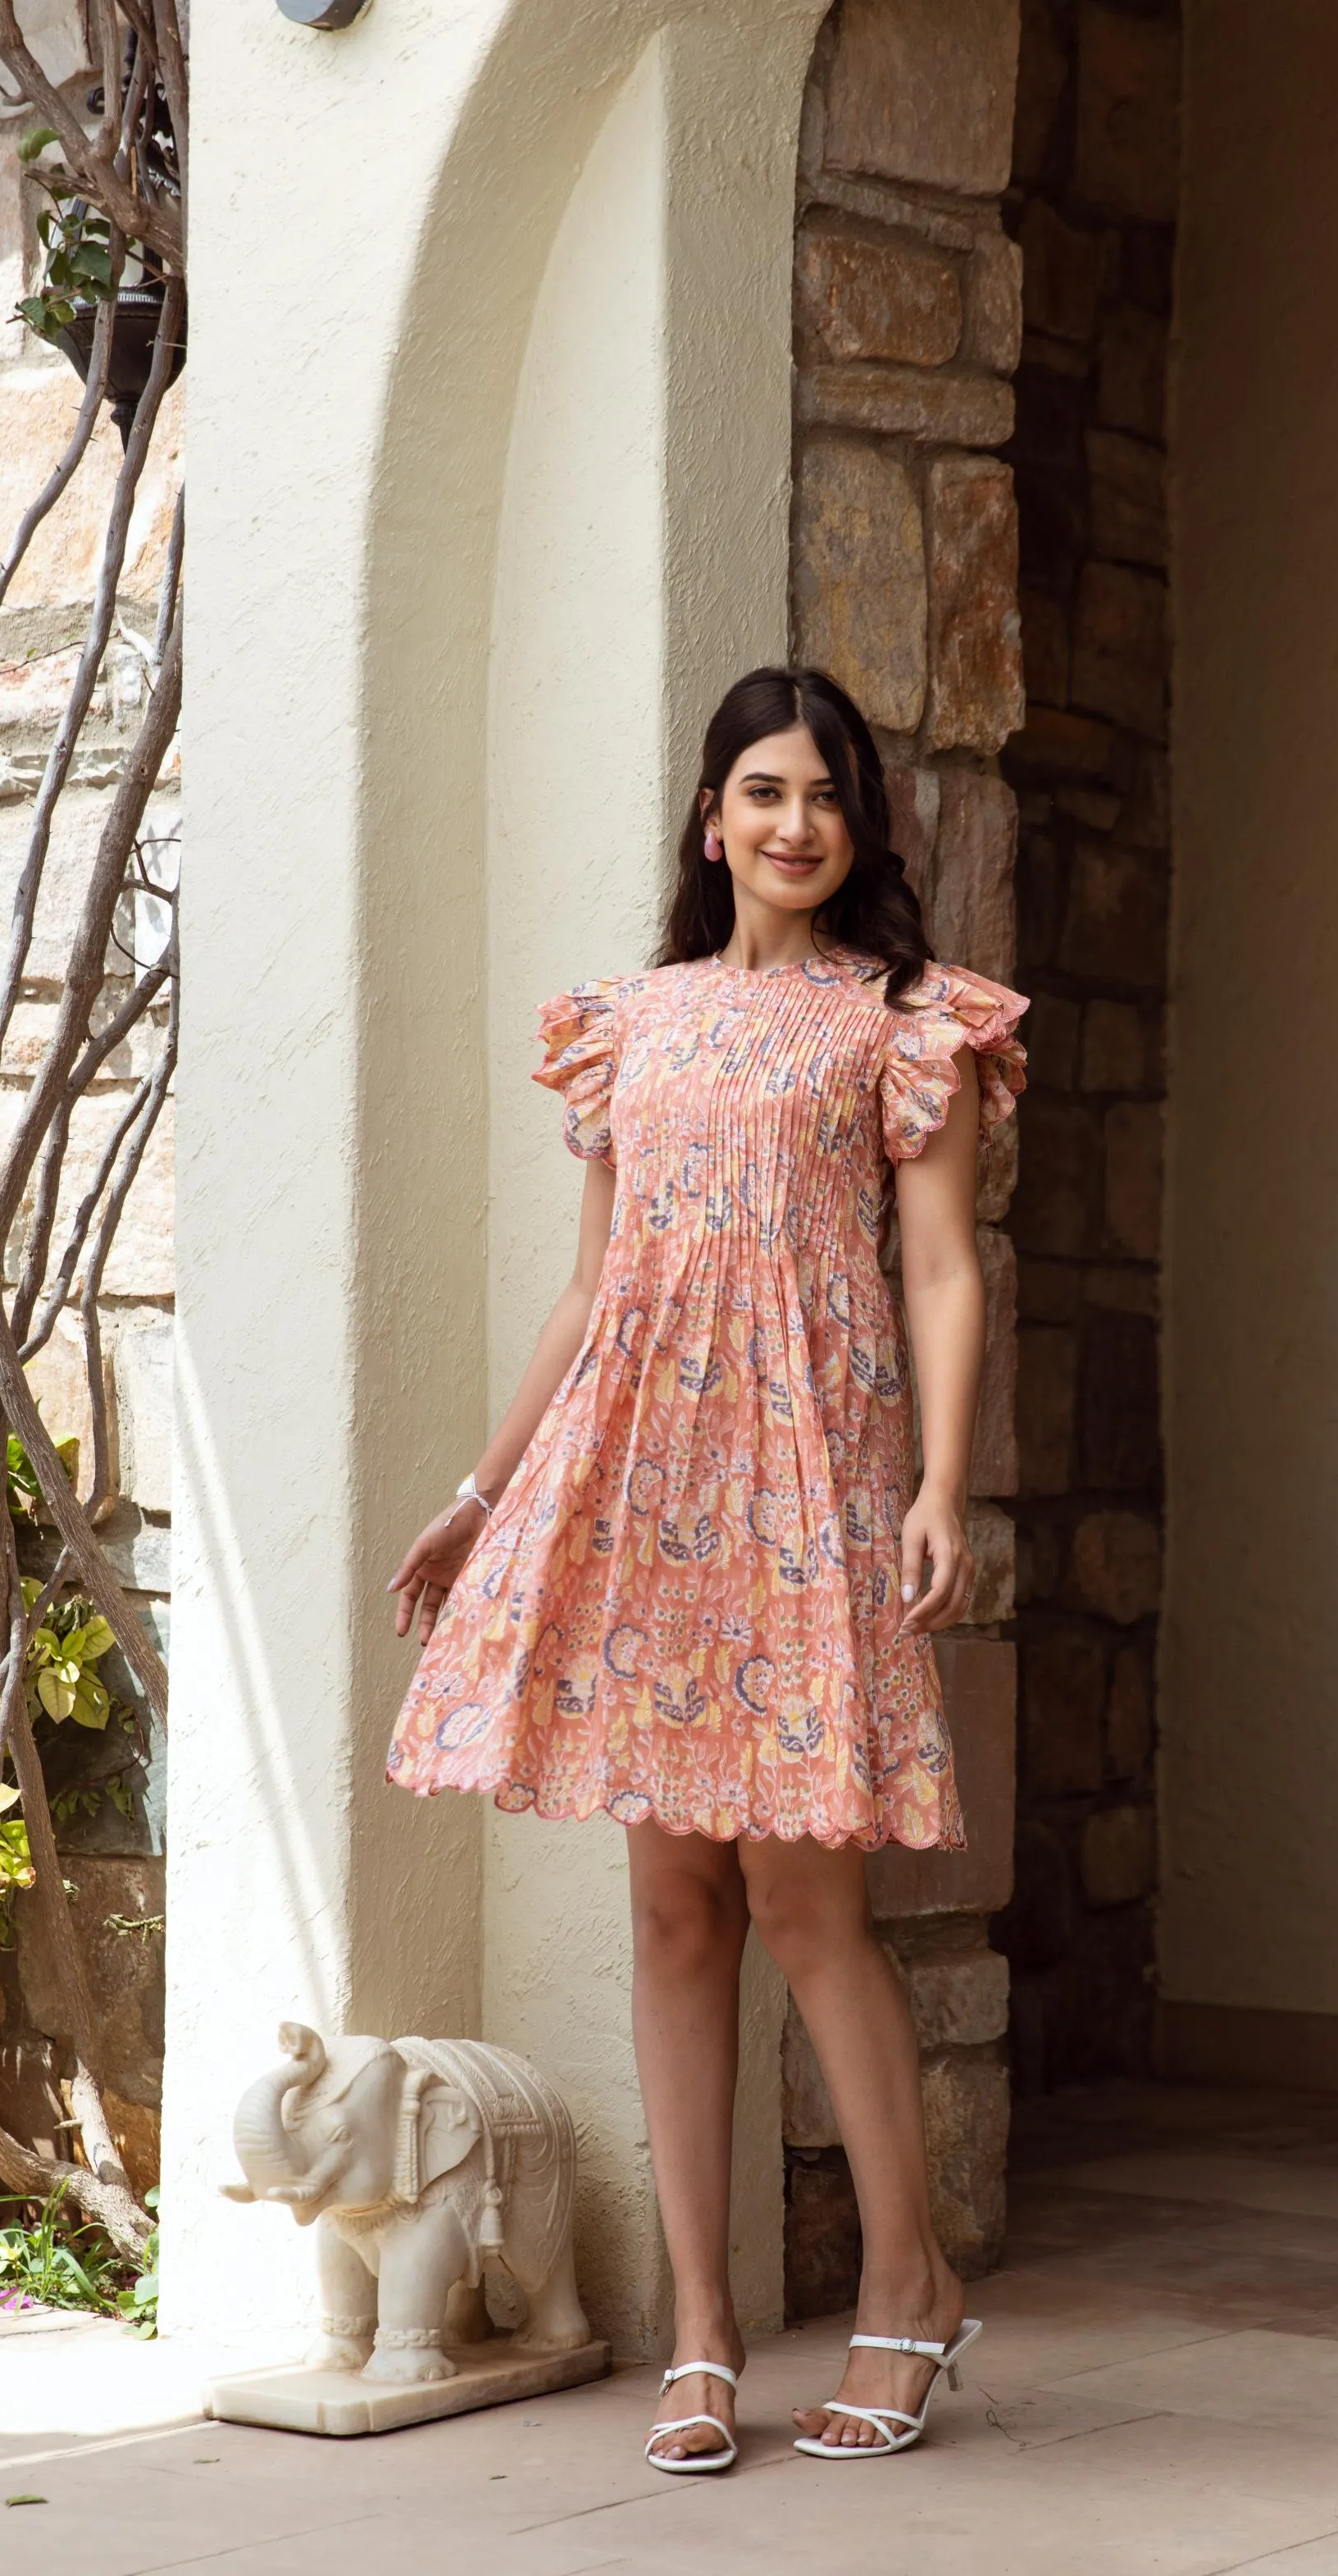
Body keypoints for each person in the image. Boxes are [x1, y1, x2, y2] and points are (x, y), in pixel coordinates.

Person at [387, 666, 1027, 2469]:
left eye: (823, 795)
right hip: (643, 1484)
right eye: (761, 791)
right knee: (672, 1913)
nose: (794, 824)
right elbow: (595, 1285)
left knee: (810, 1915)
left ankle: (908, 2290)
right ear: (709, 815)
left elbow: (942, 1270)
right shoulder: (632, 1022)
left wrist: (940, 1483)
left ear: (859, 822)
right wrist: (481, 1487)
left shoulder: (904, 1020)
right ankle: (701, 2332)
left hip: (808, 1480)